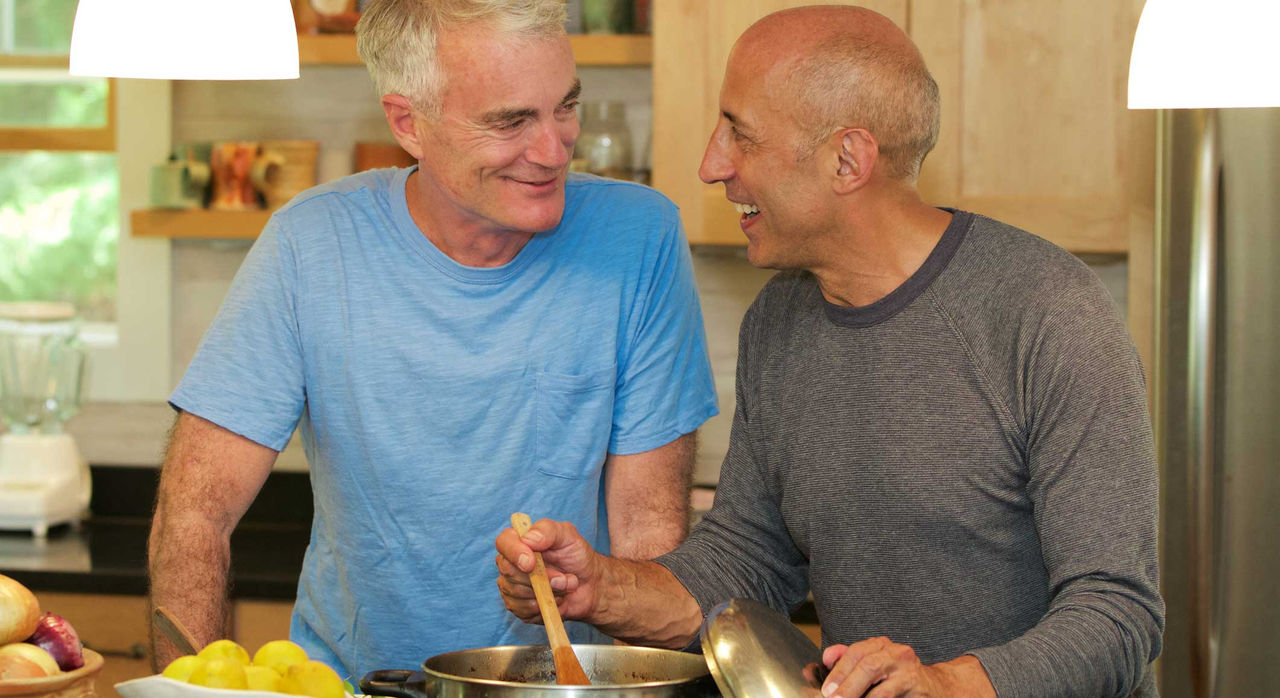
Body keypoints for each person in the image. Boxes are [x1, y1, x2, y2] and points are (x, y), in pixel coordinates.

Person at [495, 5, 1163, 697]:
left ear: (847, 159)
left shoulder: (1047, 313)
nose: (710, 164)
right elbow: (747, 563)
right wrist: (601, 589)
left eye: (739, 134)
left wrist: (945, 685)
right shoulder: (780, 319)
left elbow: (1118, 613)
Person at [148, 0, 718, 681]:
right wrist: (186, 691)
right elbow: (194, 514)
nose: (553, 148)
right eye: (510, 121)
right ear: (407, 123)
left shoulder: (640, 239)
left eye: (565, 106)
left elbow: (651, 539)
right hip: (349, 686)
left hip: (560, 688)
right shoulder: (310, 244)